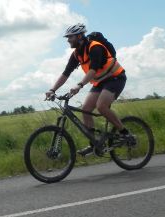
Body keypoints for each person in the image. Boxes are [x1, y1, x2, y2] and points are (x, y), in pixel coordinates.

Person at [45, 23, 129, 156]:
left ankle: (125, 134)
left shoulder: (94, 47)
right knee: (86, 110)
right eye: (67, 37)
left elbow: (93, 70)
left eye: (70, 37)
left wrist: (79, 85)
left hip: (115, 78)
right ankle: (94, 144)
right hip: (100, 82)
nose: (68, 40)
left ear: (79, 36)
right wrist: (52, 89)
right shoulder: (76, 54)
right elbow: (66, 73)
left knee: (101, 106)